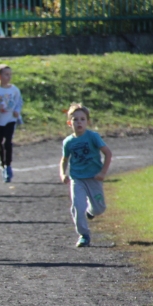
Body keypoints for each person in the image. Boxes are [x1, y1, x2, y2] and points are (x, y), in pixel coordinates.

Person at [59, 103, 112, 248]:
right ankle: (84, 235)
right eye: (75, 120)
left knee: (99, 208)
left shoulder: (93, 137)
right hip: (77, 179)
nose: (79, 122)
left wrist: (102, 172)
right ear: (69, 123)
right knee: (77, 206)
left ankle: (91, 211)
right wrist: (63, 173)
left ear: (88, 122)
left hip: (94, 177)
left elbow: (107, 153)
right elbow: (64, 159)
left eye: (82, 119)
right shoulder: (68, 142)